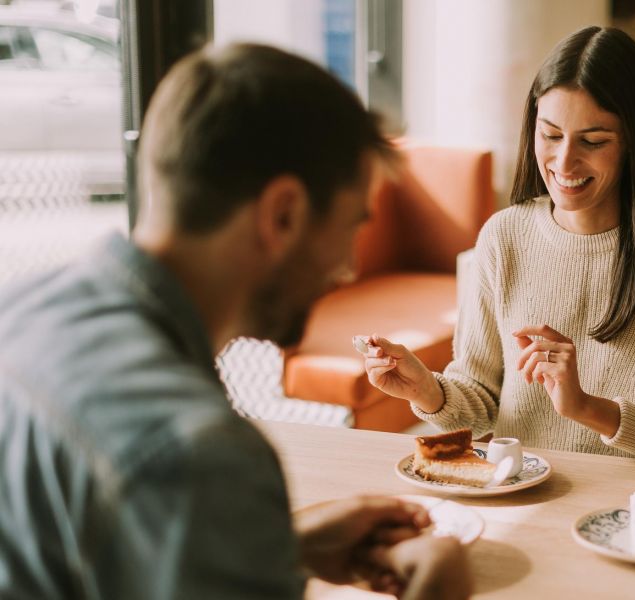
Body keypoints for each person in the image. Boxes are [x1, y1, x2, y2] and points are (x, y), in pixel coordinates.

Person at [0, 44, 471, 599]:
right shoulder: (201, 453)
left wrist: (278, 545)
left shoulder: (18, 310)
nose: (346, 268)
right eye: (351, 228)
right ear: (284, 215)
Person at [362, 26, 635, 466]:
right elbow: (482, 403)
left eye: (593, 141)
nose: (563, 162)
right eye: (551, 135)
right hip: (524, 497)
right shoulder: (503, 238)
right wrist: (427, 390)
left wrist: (587, 408)